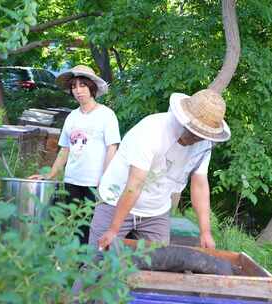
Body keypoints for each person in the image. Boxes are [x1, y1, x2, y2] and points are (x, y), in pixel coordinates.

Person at [92, 89, 231, 252]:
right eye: (194, 132)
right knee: (97, 264)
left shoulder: (203, 144)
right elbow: (135, 184)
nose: (197, 139)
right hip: (115, 202)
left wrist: (205, 232)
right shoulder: (151, 130)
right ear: (183, 118)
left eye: (203, 135)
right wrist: (114, 229)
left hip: (156, 212)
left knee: (155, 265)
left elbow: (199, 186)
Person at [30, 65, 121, 244]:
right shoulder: (72, 116)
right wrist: (50, 174)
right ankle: (54, 264)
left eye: (82, 86)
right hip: (71, 181)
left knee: (87, 229)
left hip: (95, 183)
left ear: (92, 87)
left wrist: (105, 179)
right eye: (74, 87)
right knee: (56, 224)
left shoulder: (106, 115)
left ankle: (84, 268)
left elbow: (112, 148)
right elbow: (64, 149)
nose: (78, 91)